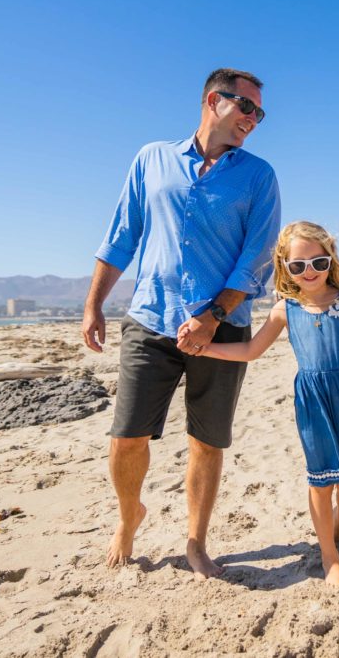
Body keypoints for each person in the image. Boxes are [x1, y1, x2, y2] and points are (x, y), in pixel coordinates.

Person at [81, 67, 281, 580]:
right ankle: (130, 518)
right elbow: (122, 235)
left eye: (260, 113)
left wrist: (212, 316)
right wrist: (93, 303)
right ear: (214, 100)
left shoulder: (259, 176)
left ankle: (196, 541)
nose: (254, 120)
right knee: (127, 436)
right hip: (150, 319)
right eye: (247, 108)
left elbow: (256, 258)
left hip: (223, 328)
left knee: (206, 441)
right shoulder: (152, 158)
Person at [200, 220, 339, 586]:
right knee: (322, 480)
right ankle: (329, 556)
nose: (310, 272)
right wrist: (206, 348)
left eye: (318, 263)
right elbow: (251, 350)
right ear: (285, 266)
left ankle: (338, 524)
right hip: (313, 401)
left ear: (330, 258)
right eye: (298, 265)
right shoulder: (284, 310)